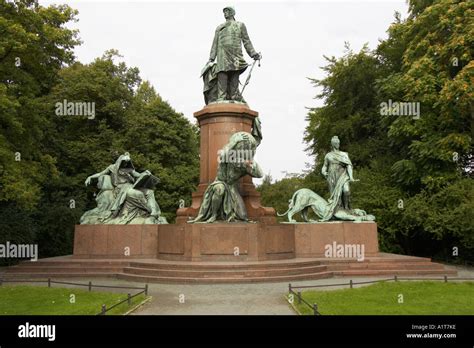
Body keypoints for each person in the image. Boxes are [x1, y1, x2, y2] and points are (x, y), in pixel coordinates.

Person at [206, 6, 261, 103]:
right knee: (222, 74)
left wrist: (253, 54)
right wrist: (211, 59)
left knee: (234, 77)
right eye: (224, 12)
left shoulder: (240, 25)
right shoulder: (219, 28)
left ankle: (234, 96)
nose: (225, 13)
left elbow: (246, 41)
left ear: (232, 13)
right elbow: (215, 44)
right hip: (222, 55)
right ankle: (221, 98)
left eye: (227, 11)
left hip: (235, 55)